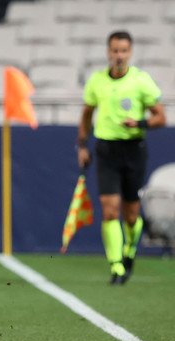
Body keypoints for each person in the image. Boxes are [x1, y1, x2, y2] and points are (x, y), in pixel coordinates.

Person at [77, 30, 166, 285]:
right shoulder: (97, 81)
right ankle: (116, 265)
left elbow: (161, 117)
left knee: (130, 214)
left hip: (133, 150)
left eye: (123, 51)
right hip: (106, 150)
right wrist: (82, 144)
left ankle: (129, 251)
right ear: (108, 52)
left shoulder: (141, 81)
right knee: (109, 210)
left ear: (130, 53)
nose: (119, 55)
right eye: (115, 50)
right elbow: (86, 114)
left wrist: (139, 121)